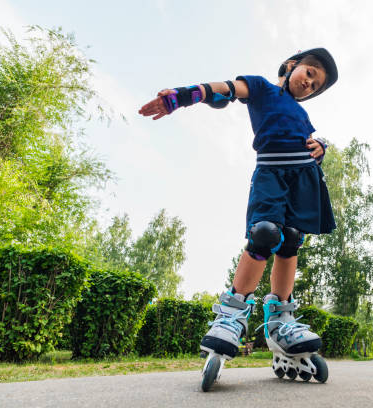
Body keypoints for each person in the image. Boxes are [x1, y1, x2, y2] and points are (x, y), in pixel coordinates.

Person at [138, 48, 338, 384]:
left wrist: (321, 148)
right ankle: (231, 314)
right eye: (309, 73)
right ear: (291, 66)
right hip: (271, 174)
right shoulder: (261, 88)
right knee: (265, 233)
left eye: (315, 85)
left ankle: (281, 320)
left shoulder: (302, 114)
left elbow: (307, 142)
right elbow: (227, 89)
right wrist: (184, 96)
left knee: (291, 240)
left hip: (302, 179)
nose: (309, 84)